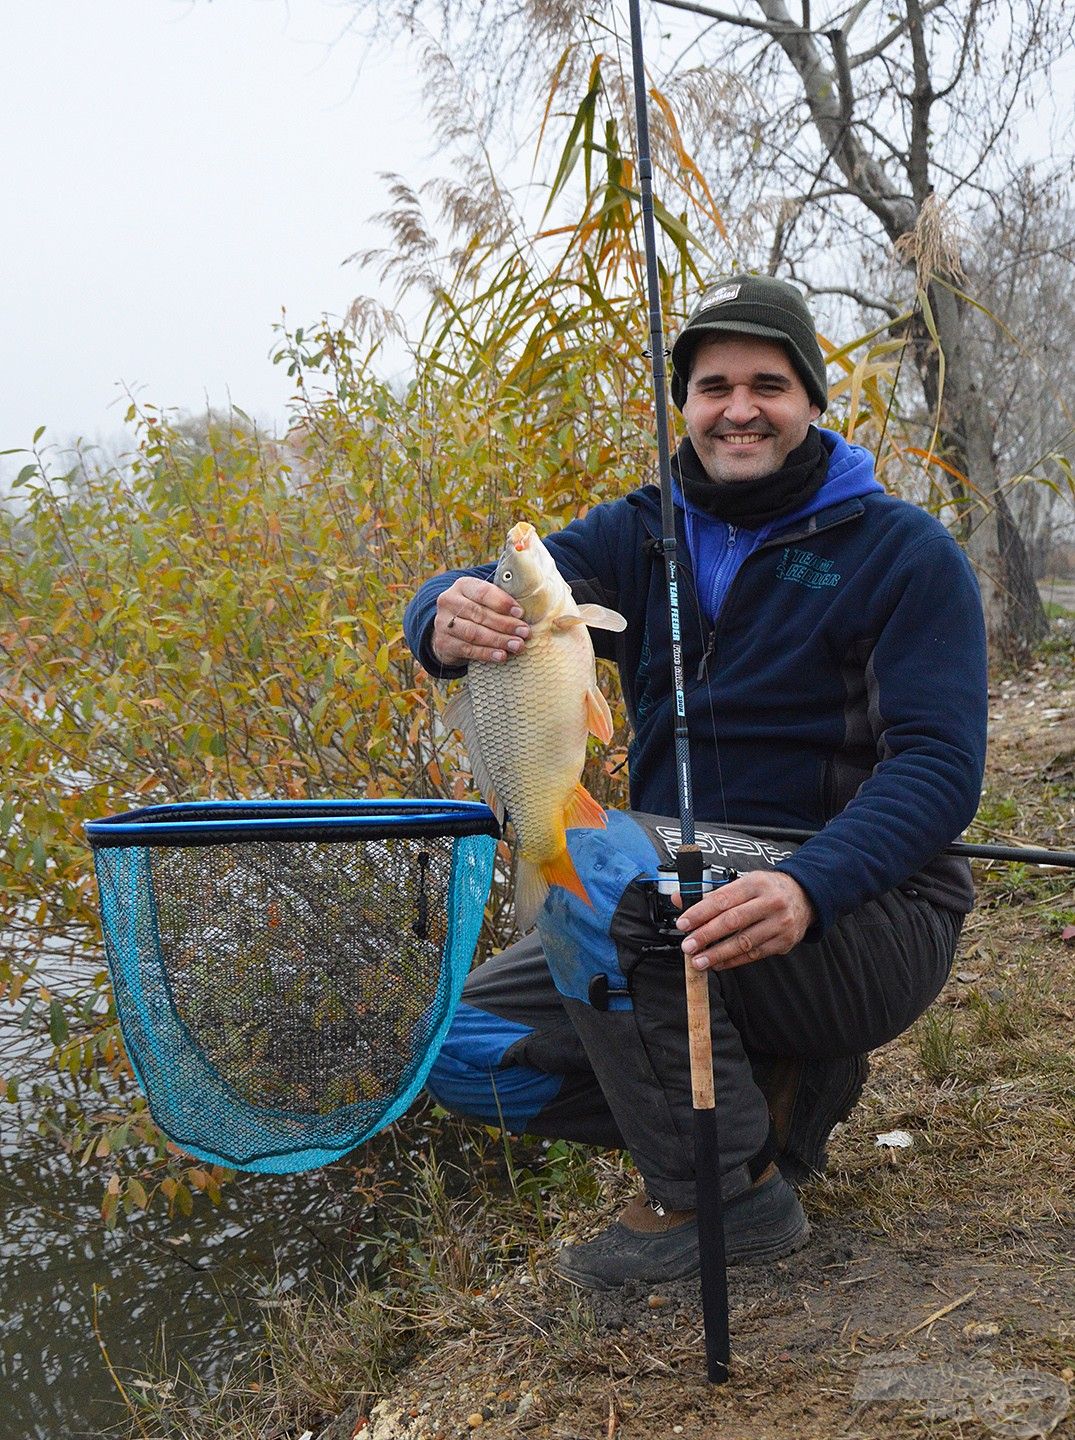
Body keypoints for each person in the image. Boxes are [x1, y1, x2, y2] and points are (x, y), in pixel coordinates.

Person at [403, 274, 988, 1290]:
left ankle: (718, 1195)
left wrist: (812, 887)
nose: (738, 407)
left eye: (768, 381)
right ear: (685, 405)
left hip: (861, 909)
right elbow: (503, 595)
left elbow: (939, 766)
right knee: (454, 1047)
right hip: (669, 891)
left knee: (589, 853)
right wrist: (439, 617)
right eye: (712, 385)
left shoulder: (905, 553)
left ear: (811, 398)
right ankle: (767, 1098)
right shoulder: (635, 533)